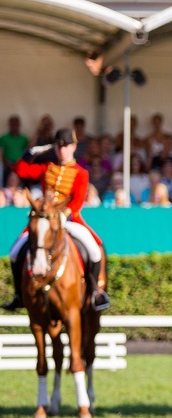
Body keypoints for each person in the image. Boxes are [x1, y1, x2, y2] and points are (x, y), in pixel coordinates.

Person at [4, 129, 109, 311]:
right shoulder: (47, 167)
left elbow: (78, 200)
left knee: (94, 249)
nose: (62, 151)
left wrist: (63, 214)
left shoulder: (81, 173)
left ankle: (94, 292)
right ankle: (19, 295)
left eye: (66, 146)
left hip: (69, 219)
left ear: (74, 147)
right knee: (14, 252)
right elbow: (20, 170)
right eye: (59, 147)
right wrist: (30, 154)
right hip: (45, 220)